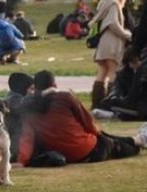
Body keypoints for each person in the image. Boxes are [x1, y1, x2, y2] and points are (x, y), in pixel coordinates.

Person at [18, 70, 146, 166]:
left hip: (64, 154)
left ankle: (137, 139)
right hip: (88, 149)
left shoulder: (28, 110)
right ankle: (138, 140)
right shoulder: (65, 98)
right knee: (129, 148)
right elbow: (90, 124)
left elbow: (27, 138)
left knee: (109, 138)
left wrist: (22, 160)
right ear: (54, 84)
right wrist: (101, 137)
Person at [90, 0, 132, 109]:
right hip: (113, 42)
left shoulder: (104, 3)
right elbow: (113, 23)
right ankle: (111, 102)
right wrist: (126, 34)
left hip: (104, 42)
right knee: (113, 71)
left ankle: (97, 101)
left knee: (103, 71)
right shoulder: (114, 4)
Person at [4, 72, 34, 160]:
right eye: (31, 89)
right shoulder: (12, 100)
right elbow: (21, 106)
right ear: (23, 88)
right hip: (15, 146)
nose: (33, 92)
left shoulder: (16, 98)